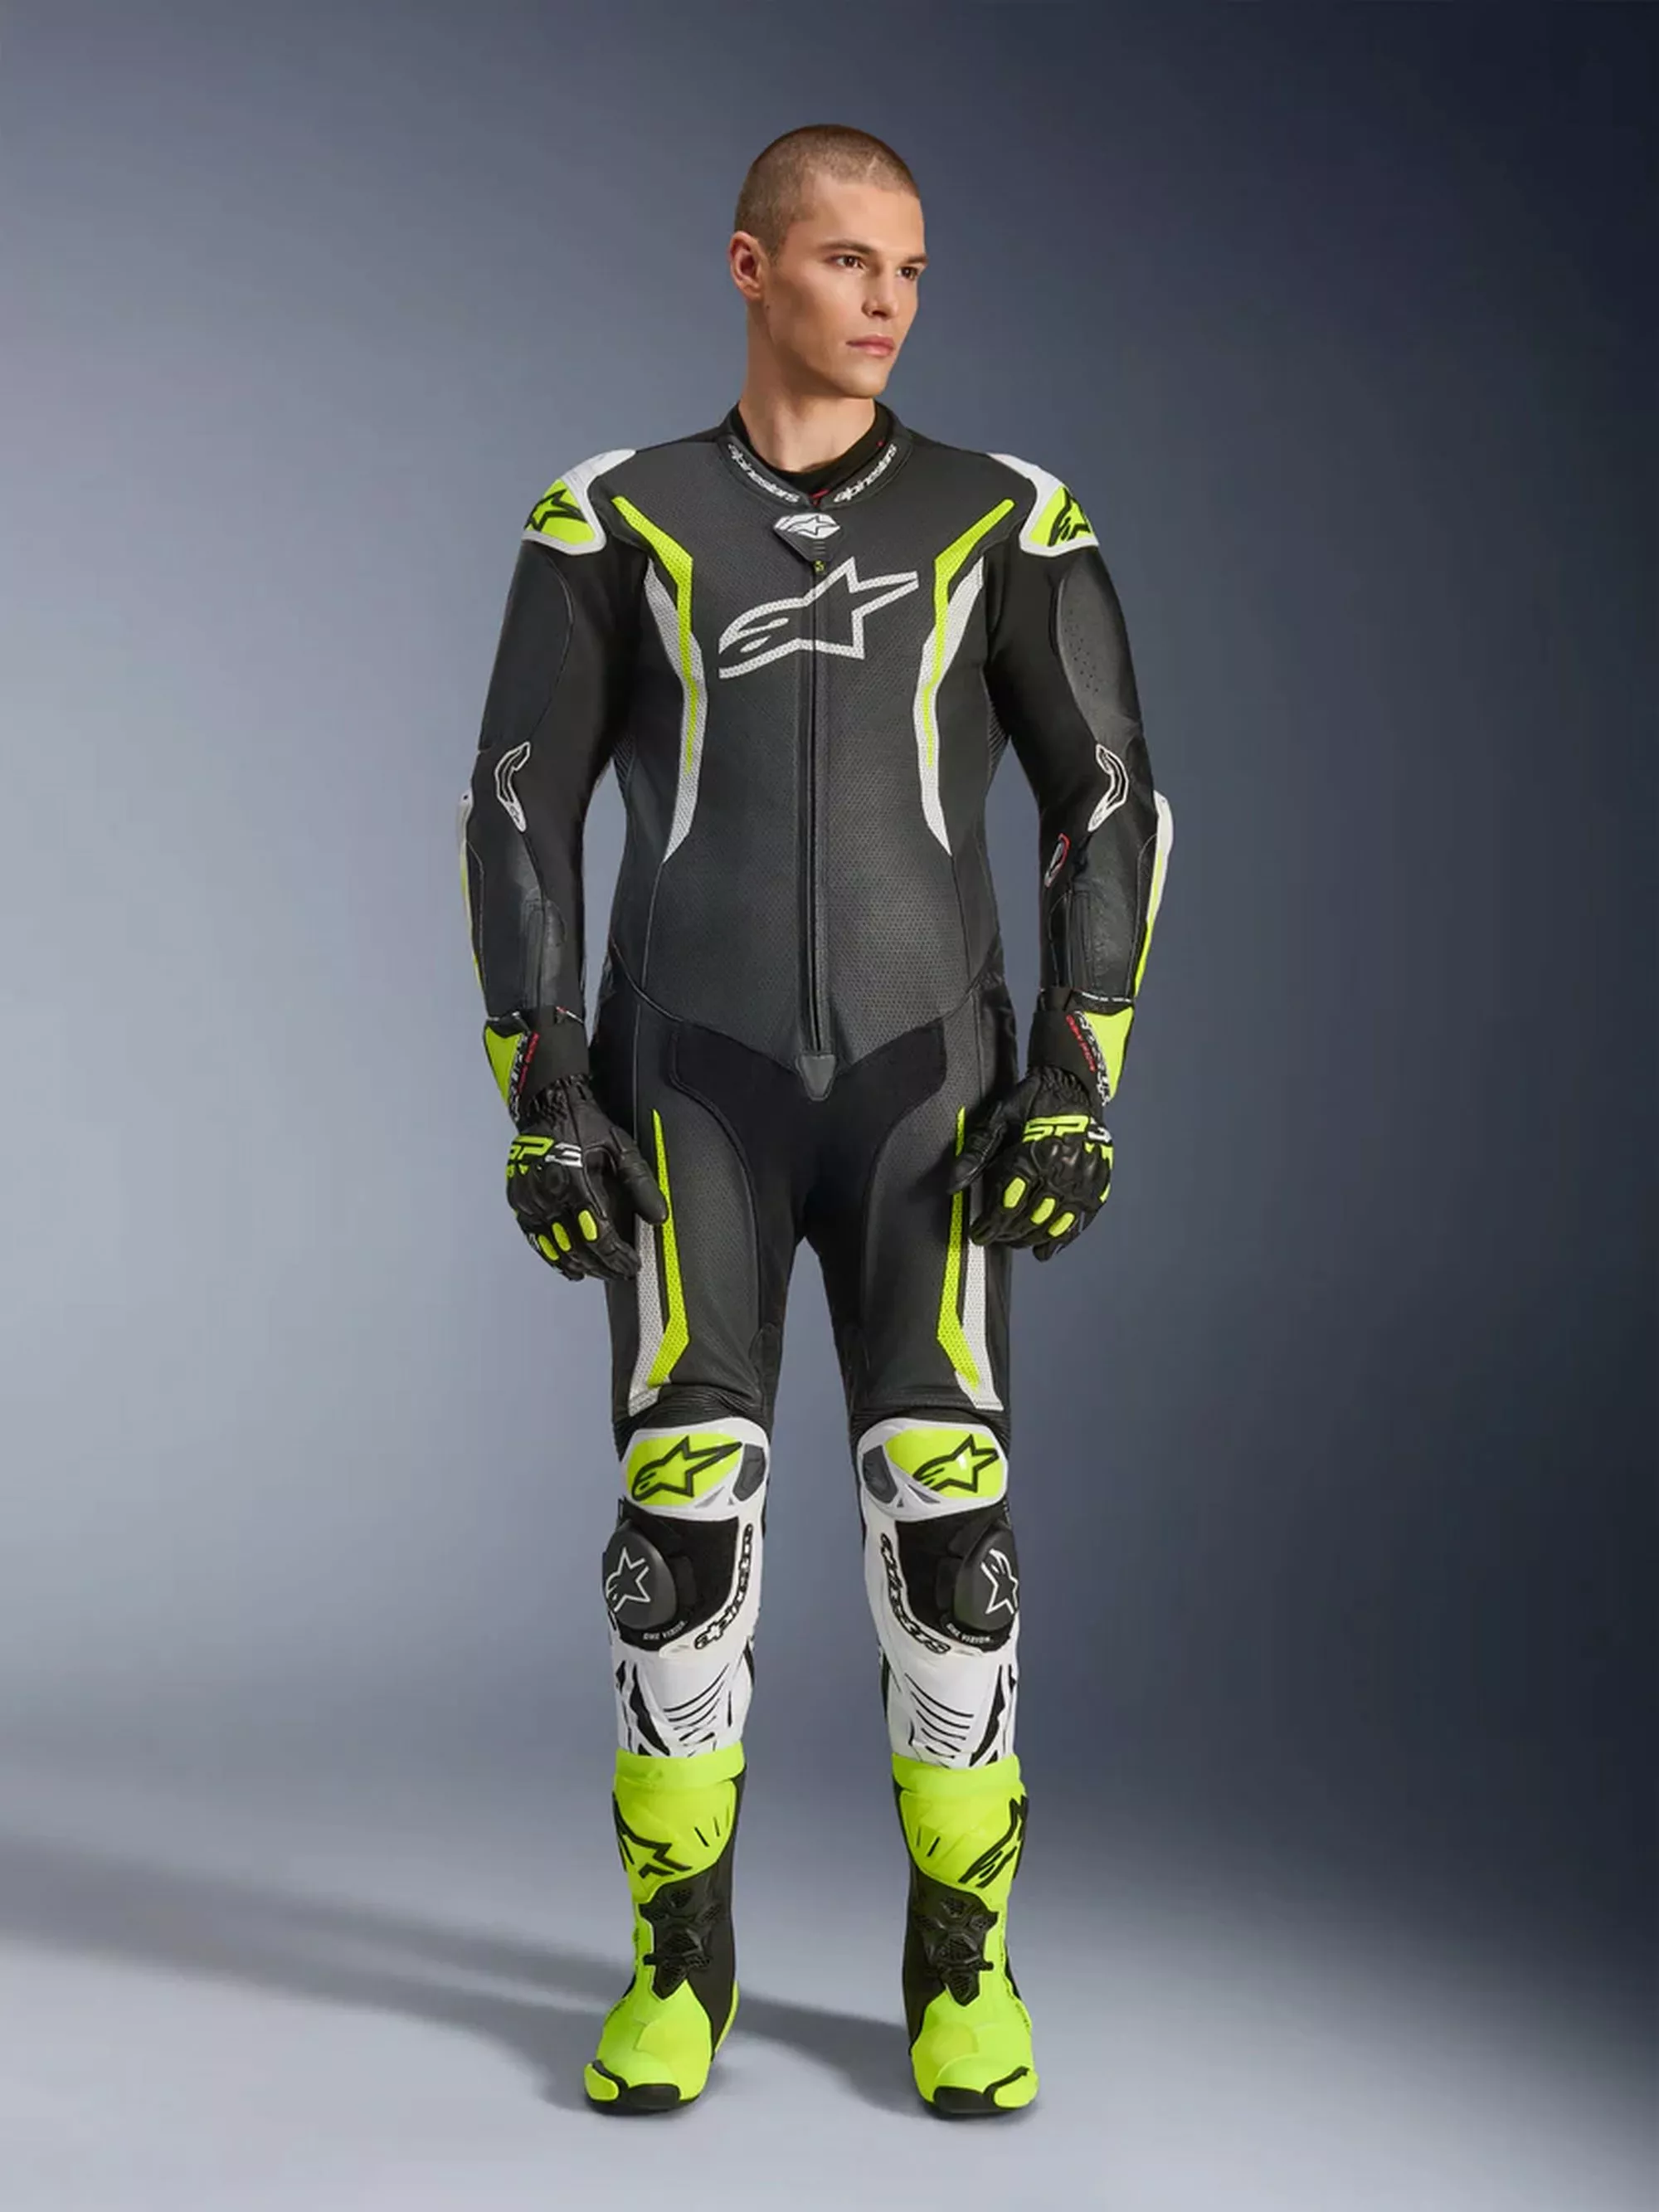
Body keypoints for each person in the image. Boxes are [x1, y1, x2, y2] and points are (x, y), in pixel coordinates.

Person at [458, 122, 1174, 2118]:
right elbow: (515, 805)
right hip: (684, 1083)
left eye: (912, 270)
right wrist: (537, 1089)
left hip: (927, 1085)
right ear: (750, 265)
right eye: (851, 259)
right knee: (679, 1523)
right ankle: (676, 1962)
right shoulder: (611, 515)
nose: (889, 301)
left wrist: (1081, 1078)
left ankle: (965, 1968)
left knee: (950, 1529)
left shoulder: (1005, 517)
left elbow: (1111, 796)